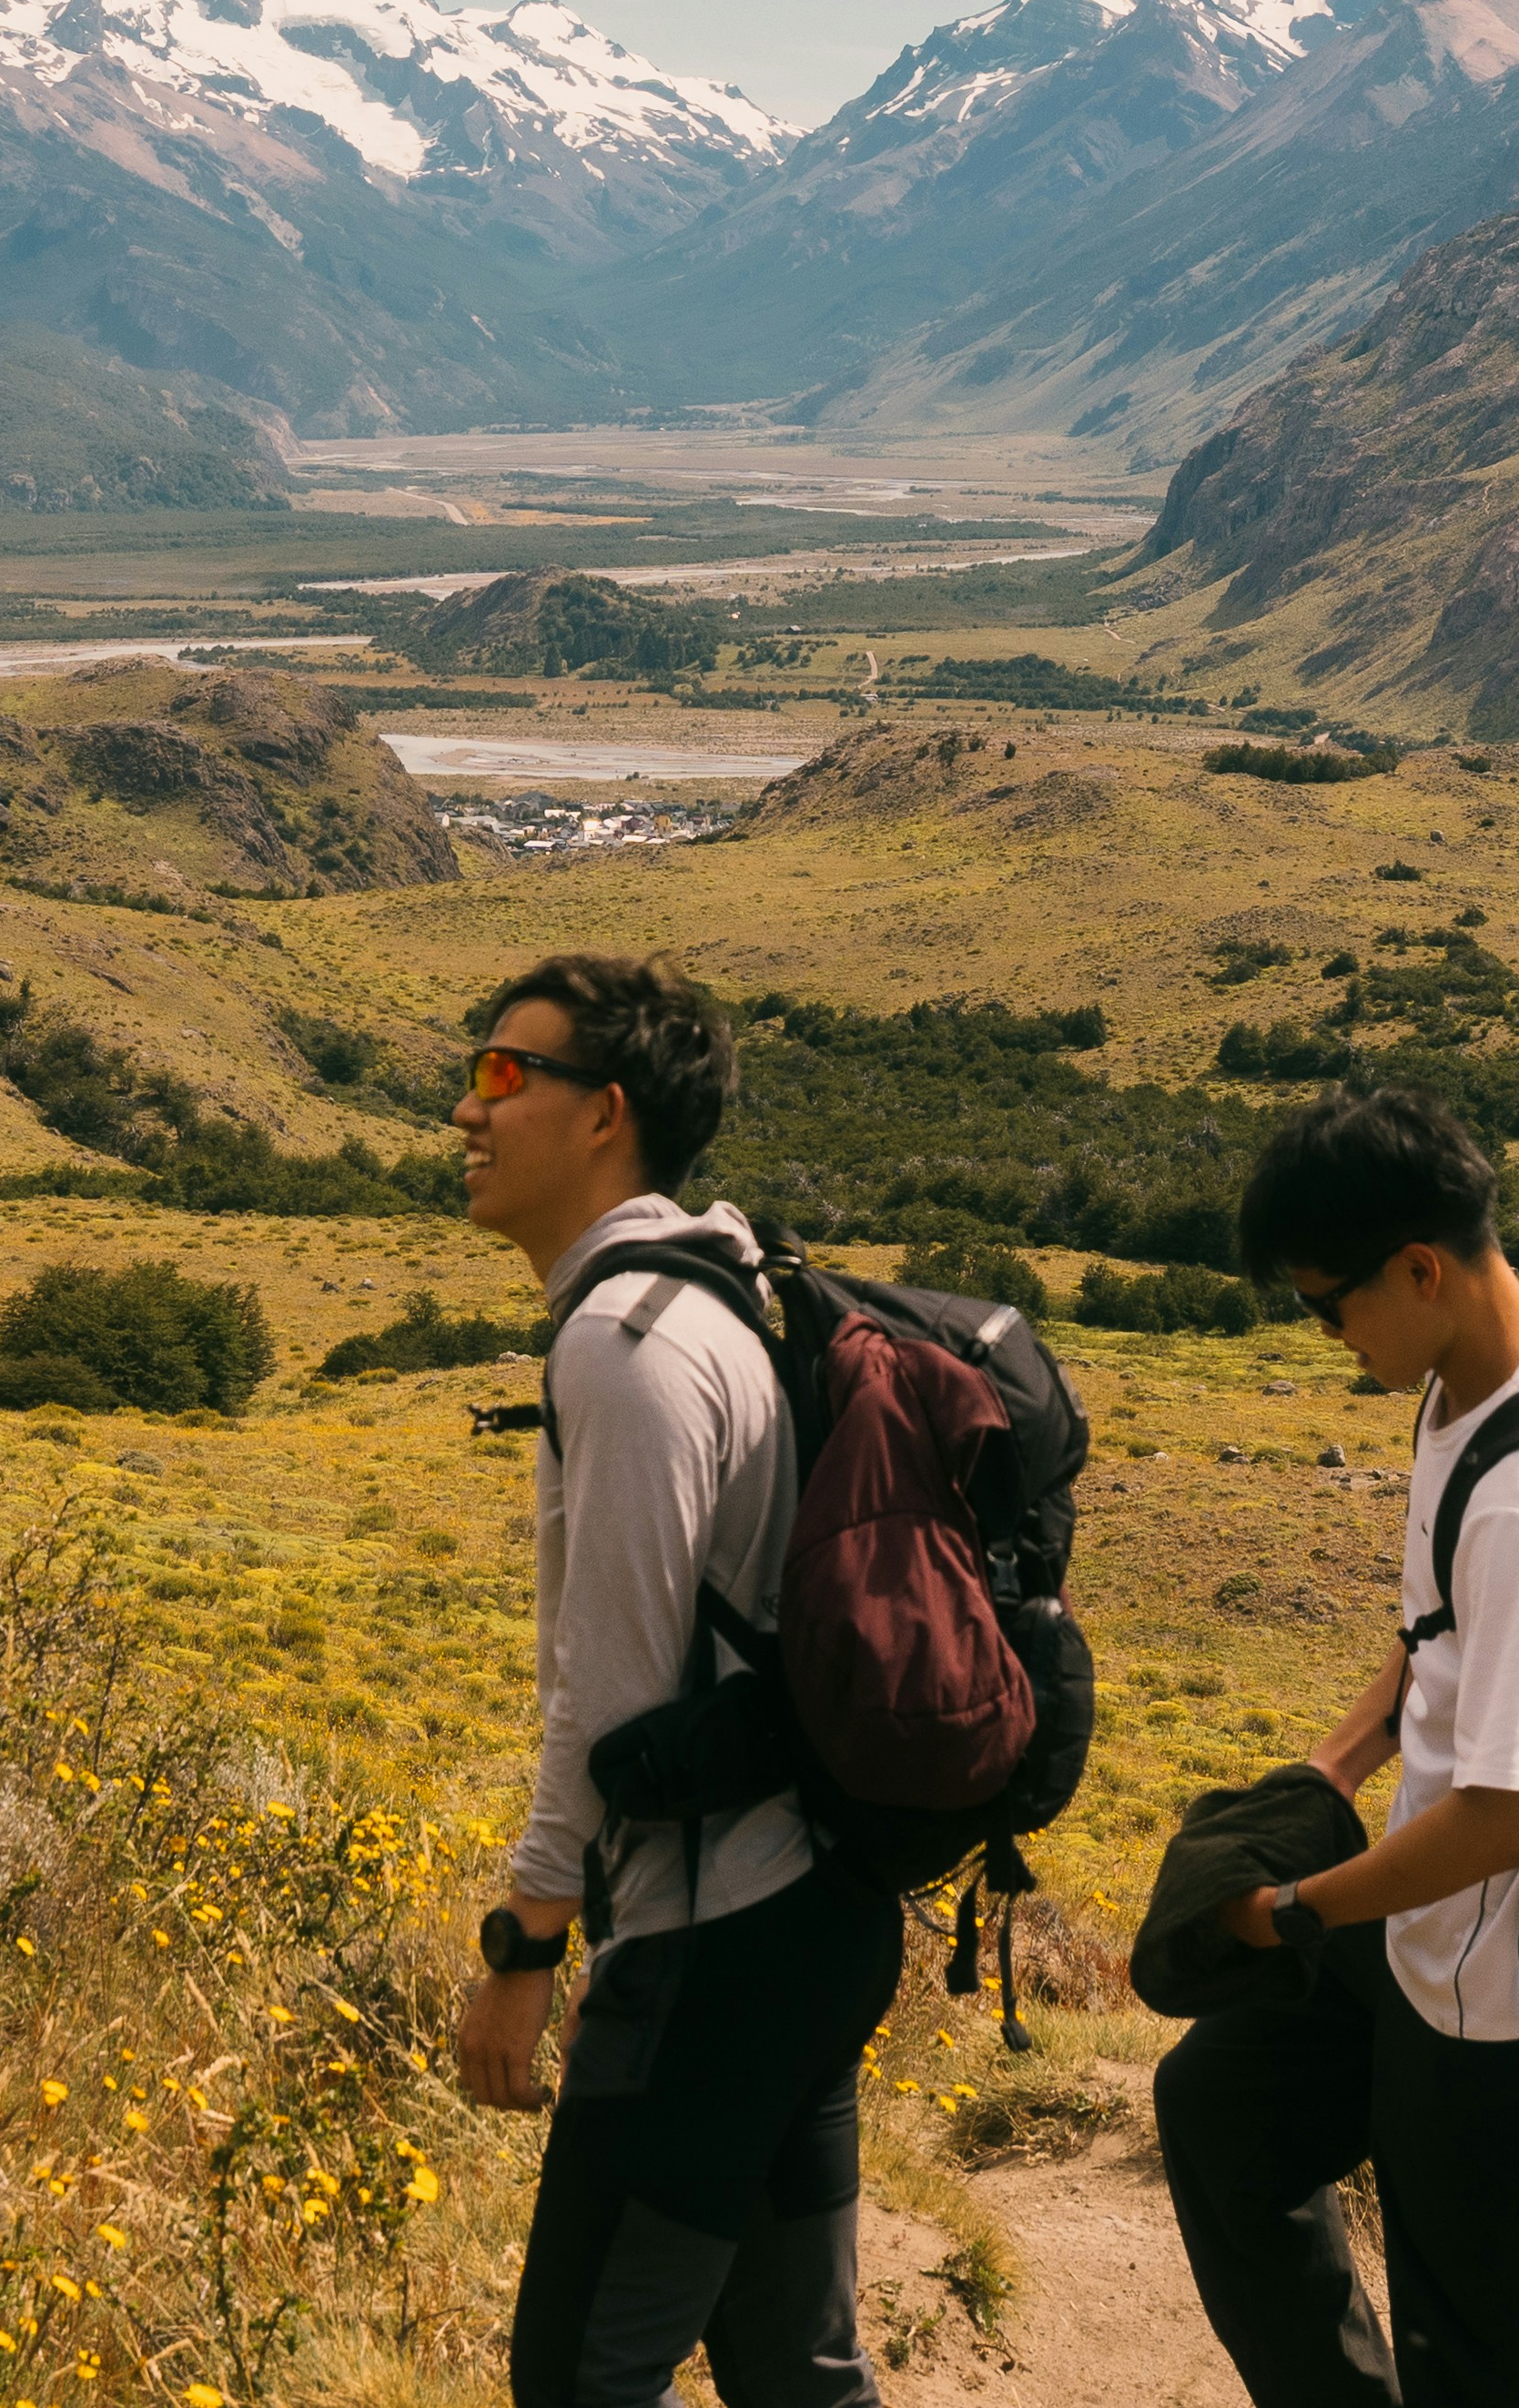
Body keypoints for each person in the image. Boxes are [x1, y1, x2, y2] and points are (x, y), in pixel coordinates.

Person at [1150, 1088, 1519, 2408]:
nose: (1327, 1337)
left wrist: (1285, 1916)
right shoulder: (1472, 1388)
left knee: (1491, 2359)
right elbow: (1428, 1632)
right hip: (1435, 1936)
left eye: (1328, 1305)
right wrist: (1327, 1774)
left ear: (1419, 1269)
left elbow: (1504, 1822)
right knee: (1222, 2113)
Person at [449, 952, 898, 2408]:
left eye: (506, 1074)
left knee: (580, 2378)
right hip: (809, 1918)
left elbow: (613, 1702)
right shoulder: (717, 1292)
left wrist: (520, 1956)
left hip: (713, 1948)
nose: (469, 1107)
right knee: (796, 2375)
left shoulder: (628, 1346)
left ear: (605, 1115)